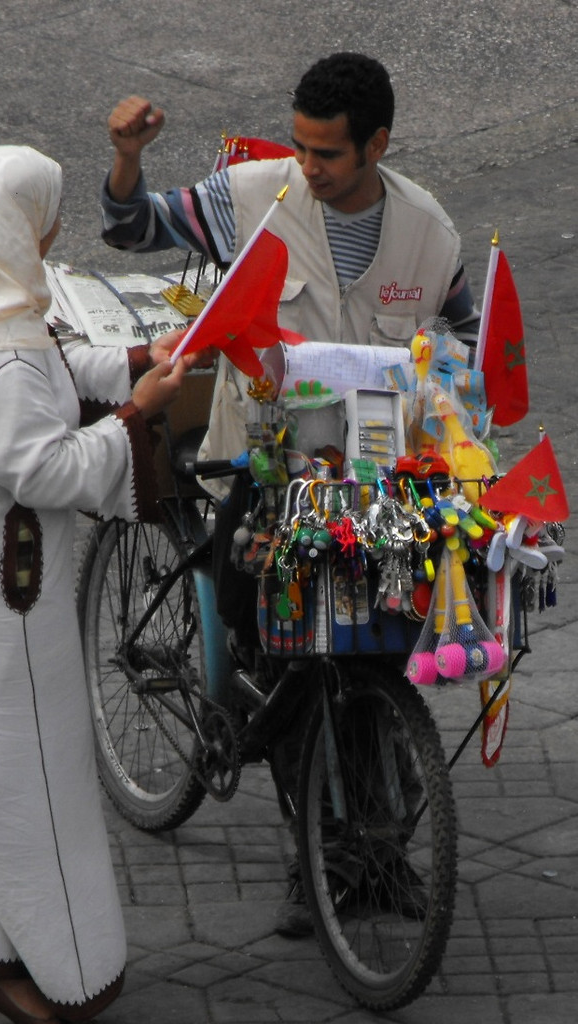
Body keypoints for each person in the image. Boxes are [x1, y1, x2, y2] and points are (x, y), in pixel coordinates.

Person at [100, 53, 479, 935]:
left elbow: (463, 343)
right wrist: (125, 158)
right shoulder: (252, 194)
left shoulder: (428, 233)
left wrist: (452, 402)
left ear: (375, 144)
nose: (307, 167)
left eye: (329, 154)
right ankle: (315, 853)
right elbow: (132, 228)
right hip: (266, 474)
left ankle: (368, 848)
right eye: (302, 147)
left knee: (372, 653)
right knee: (282, 657)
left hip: (376, 486)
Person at [0, 145, 206, 1024]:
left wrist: (139, 355)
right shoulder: (5, 361)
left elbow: (47, 361)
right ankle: (21, 966)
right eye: (48, 216)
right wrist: (140, 411)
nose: (56, 231)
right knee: (30, 771)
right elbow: (45, 464)